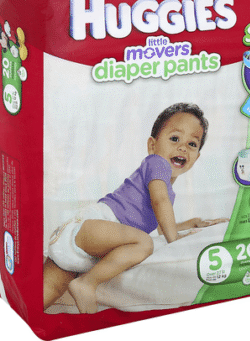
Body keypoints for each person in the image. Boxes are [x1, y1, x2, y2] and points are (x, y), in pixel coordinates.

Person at [43, 103, 229, 313]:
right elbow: (160, 205)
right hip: (95, 225)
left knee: (47, 291)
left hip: (87, 243)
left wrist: (191, 224)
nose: (183, 147)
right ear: (152, 146)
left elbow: (161, 227)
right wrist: (175, 239)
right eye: (174, 138)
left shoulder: (166, 191)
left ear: (197, 157)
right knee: (144, 243)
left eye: (192, 144)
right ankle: (87, 283)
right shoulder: (156, 164)